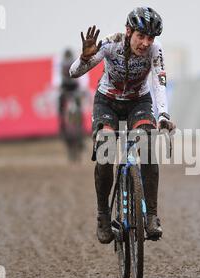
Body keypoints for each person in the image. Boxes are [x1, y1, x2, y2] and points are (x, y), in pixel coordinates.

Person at [69, 7, 175, 244]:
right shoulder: (110, 44)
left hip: (139, 100)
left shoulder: (155, 51)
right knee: (105, 152)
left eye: (151, 38)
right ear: (128, 31)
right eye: (141, 36)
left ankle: (151, 217)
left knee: (147, 146)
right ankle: (103, 215)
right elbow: (74, 72)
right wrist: (85, 58)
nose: (146, 43)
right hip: (107, 101)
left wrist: (163, 115)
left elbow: (159, 83)